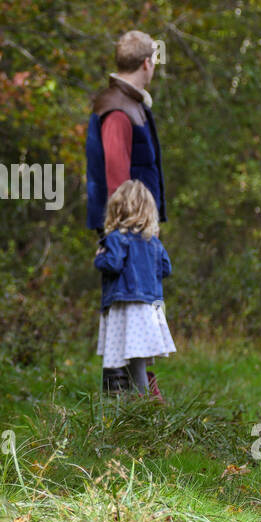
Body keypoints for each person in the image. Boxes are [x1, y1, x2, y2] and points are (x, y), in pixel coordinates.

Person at [85, 30, 168, 397]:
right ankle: (125, 396)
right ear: (147, 63)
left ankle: (136, 393)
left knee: (139, 304)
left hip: (136, 228)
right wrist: (125, 229)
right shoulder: (117, 108)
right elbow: (117, 176)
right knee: (126, 306)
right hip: (126, 230)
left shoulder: (131, 103)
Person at [94, 180, 176, 394]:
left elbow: (113, 263)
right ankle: (141, 401)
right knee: (135, 357)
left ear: (117, 210)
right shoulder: (154, 242)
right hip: (150, 307)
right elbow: (165, 268)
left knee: (124, 358)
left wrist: (99, 258)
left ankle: (142, 403)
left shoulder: (116, 239)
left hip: (126, 306)